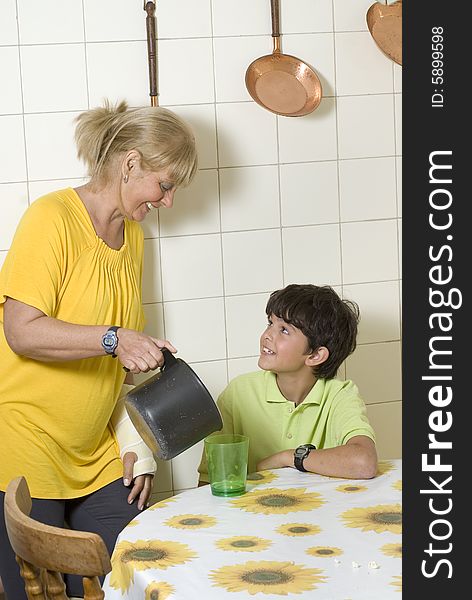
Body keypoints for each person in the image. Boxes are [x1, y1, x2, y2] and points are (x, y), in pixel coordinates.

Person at [0, 99, 197, 600]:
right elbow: (21, 330)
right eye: (166, 185)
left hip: (95, 453)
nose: (167, 202)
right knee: (39, 593)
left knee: (136, 573)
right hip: (28, 446)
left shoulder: (132, 236)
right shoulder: (52, 218)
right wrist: (114, 338)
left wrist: (135, 446)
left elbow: (113, 365)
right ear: (131, 164)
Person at [198, 284, 378, 482]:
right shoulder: (238, 393)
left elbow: (364, 462)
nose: (267, 335)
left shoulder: (340, 394)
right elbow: (208, 481)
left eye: (284, 330)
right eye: (270, 323)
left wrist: (289, 458)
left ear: (316, 355)